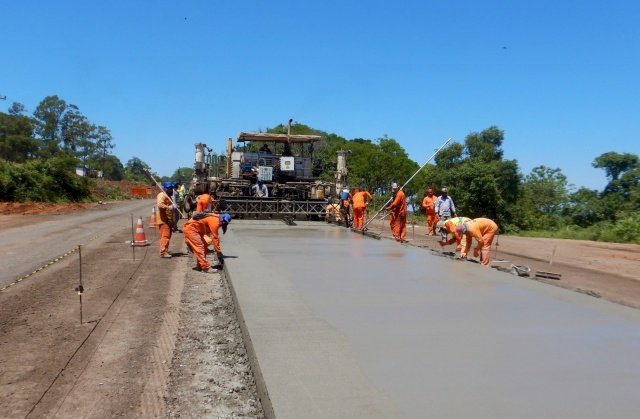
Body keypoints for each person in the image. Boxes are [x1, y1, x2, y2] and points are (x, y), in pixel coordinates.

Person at [156, 181, 176, 258]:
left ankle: (165, 250)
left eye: (171, 188)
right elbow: (160, 205)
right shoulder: (162, 195)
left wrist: (172, 221)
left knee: (167, 236)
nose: (170, 190)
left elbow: (170, 212)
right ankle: (163, 252)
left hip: (168, 220)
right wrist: (169, 207)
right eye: (169, 188)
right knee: (165, 236)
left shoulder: (168, 196)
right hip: (163, 220)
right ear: (164, 188)